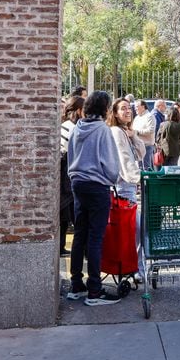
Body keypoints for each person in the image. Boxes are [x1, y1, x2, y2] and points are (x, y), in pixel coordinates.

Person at [65, 90, 122, 306]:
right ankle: (95, 291)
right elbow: (110, 164)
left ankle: (76, 284)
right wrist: (112, 179)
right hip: (97, 185)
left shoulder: (77, 128)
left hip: (77, 183)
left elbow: (70, 154)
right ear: (105, 108)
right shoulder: (102, 131)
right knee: (95, 237)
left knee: (80, 234)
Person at [59, 96, 84, 256]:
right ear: (79, 111)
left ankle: (62, 247)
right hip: (68, 177)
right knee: (77, 218)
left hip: (64, 176)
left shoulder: (64, 125)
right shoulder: (74, 128)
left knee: (64, 216)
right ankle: (81, 251)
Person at [107, 97, 144, 202]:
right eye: (123, 108)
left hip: (127, 184)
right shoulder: (116, 131)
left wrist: (133, 136)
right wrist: (137, 177)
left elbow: (141, 153)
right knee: (131, 218)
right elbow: (124, 157)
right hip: (123, 184)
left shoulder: (124, 130)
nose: (128, 111)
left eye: (129, 108)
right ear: (115, 113)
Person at [134, 99, 157, 171]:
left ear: (143, 107)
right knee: (140, 168)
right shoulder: (137, 117)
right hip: (138, 146)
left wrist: (137, 132)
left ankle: (148, 182)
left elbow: (151, 130)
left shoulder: (149, 116)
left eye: (137, 106)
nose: (135, 108)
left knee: (147, 168)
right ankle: (141, 182)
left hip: (147, 146)